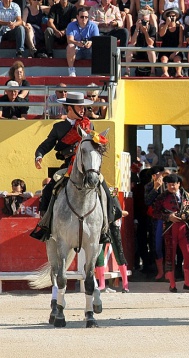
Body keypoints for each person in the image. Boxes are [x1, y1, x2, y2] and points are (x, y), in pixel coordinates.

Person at [30, 92, 114, 242]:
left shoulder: (89, 124)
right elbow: (46, 145)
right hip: (68, 165)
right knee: (49, 189)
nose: (83, 110)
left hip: (87, 166)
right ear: (69, 108)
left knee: (106, 191)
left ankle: (106, 228)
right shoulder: (59, 127)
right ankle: (45, 225)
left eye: (83, 107)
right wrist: (39, 156)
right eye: (79, 107)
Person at [152, 173, 189, 293]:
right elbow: (155, 213)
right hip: (169, 230)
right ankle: (172, 284)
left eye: (174, 184)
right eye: (169, 184)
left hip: (184, 228)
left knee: (188, 254)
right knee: (170, 256)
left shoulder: (187, 196)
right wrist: (168, 217)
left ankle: (187, 282)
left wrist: (187, 215)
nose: (172, 186)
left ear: (179, 184)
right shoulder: (162, 197)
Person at [95, 187, 130, 293]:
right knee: (100, 255)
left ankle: (125, 284)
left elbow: (120, 212)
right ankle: (102, 284)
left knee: (118, 253)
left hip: (110, 226)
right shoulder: (100, 194)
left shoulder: (110, 195)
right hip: (102, 227)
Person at [66, 8, 99, 77]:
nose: (84, 19)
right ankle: (71, 71)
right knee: (70, 46)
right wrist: (77, 43)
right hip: (77, 50)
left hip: (89, 50)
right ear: (77, 17)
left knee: (99, 47)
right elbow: (69, 40)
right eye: (82, 17)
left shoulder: (93, 26)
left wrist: (90, 42)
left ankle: (98, 71)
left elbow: (97, 40)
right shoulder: (71, 25)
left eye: (86, 17)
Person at [125, 9, 157, 77]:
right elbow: (133, 42)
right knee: (130, 47)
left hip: (148, 51)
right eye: (143, 21)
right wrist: (137, 28)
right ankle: (127, 71)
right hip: (138, 50)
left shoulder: (152, 28)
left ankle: (153, 71)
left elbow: (150, 43)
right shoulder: (134, 27)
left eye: (146, 21)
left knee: (150, 47)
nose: (145, 22)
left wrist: (145, 32)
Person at [158, 8, 185, 78]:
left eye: (173, 16)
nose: (172, 17)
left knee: (177, 59)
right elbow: (161, 34)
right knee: (164, 59)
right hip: (165, 49)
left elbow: (180, 43)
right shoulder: (162, 26)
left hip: (176, 49)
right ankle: (165, 73)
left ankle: (178, 73)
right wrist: (167, 24)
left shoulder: (180, 27)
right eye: (170, 16)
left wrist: (175, 53)